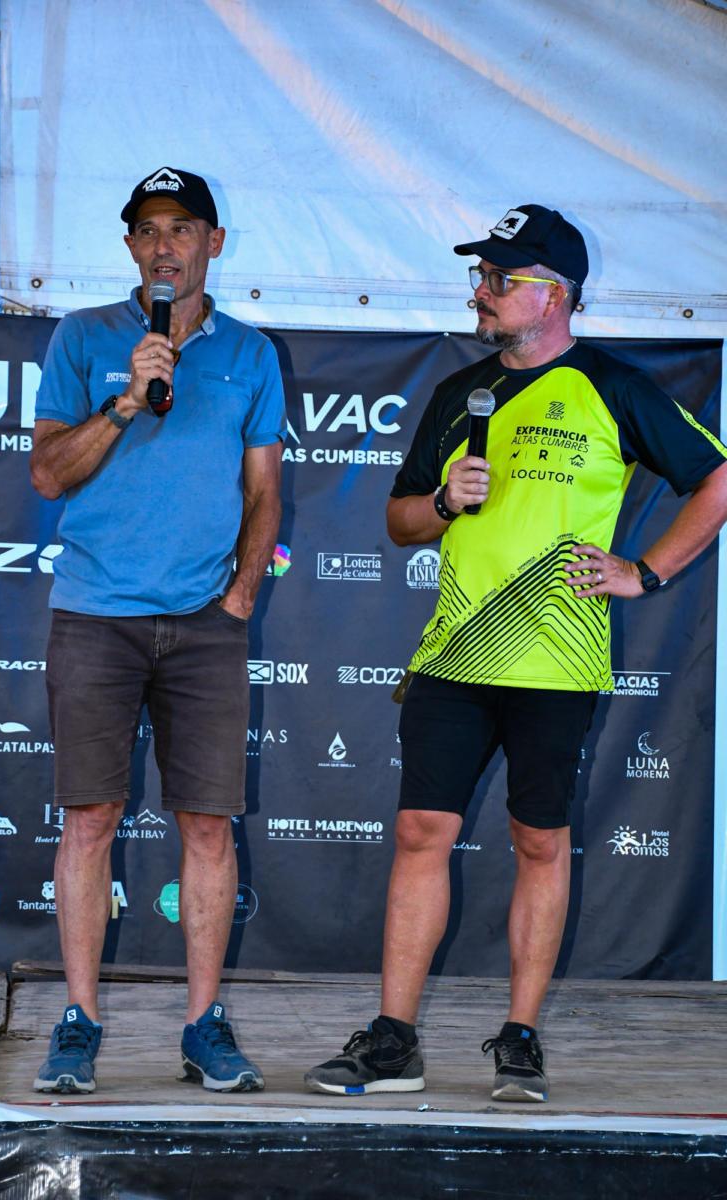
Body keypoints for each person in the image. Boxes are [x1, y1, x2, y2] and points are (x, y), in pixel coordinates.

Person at [306, 204, 727, 1103]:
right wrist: (444, 503)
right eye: (481, 276)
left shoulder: (613, 386)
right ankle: (394, 1040)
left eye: (502, 278)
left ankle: (521, 1038)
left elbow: (717, 478)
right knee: (420, 833)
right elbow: (399, 520)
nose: (482, 292)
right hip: (453, 655)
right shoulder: (459, 393)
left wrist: (645, 573)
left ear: (556, 294)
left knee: (540, 840)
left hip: (556, 662)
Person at [30, 166, 285, 1095]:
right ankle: (79, 1019)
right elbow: (48, 475)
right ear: (131, 247)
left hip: (204, 626)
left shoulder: (251, 353)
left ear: (213, 243)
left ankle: (203, 1023)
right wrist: (125, 400)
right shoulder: (83, 337)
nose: (164, 245)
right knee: (90, 818)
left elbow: (264, 490)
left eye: (182, 228)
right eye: (148, 229)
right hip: (95, 615)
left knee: (208, 826)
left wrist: (241, 596)